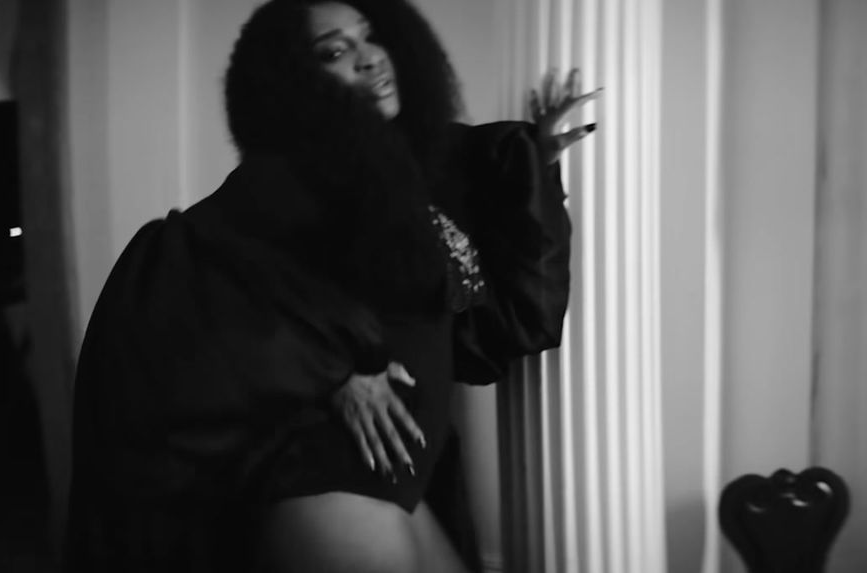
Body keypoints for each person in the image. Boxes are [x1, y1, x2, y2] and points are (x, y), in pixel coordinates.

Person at [64, 0, 596, 571]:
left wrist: (535, 165)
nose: (370, 59)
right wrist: (332, 367)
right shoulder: (281, 182)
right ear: (293, 83)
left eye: (371, 38)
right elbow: (185, 308)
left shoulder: (405, 186)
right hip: (325, 492)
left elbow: (500, 329)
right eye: (336, 51)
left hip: (401, 490)